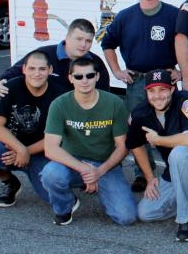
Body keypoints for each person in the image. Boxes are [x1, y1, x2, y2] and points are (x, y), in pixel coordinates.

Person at [101, 0, 180, 192]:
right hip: (137, 81)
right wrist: (117, 71)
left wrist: (181, 72)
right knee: (138, 127)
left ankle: (174, 172)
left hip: (165, 81)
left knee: (170, 126)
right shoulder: (126, 16)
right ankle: (142, 175)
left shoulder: (173, 15)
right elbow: (107, 44)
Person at [40, 57, 136, 226]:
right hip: (72, 163)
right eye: (78, 76)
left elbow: (122, 147)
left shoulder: (114, 103)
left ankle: (100, 186)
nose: (84, 81)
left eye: (89, 75)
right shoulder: (59, 104)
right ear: (70, 78)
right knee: (50, 174)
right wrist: (84, 169)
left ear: (97, 77)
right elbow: (51, 149)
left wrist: (98, 172)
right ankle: (64, 207)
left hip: (105, 165)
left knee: (126, 217)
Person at [128, 69, 188, 242]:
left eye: (162, 89)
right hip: (175, 167)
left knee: (179, 153)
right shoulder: (140, 112)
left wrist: (159, 140)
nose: (157, 96)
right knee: (146, 213)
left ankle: (187, 220)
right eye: (152, 90)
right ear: (146, 92)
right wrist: (150, 178)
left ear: (172, 89)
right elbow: (135, 145)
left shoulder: (186, 100)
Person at [0, 51, 67, 207]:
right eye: (32, 68)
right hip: (14, 146)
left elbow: (60, 135)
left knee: (53, 196)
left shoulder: (60, 94)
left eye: (42, 69)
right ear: (24, 69)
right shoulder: (12, 87)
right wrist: (20, 149)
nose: (36, 73)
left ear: (50, 70)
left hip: (45, 151)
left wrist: (26, 151)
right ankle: (9, 183)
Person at [0, 18, 110, 99]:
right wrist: (0, 83)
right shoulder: (44, 54)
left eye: (88, 41)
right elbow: (15, 71)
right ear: (67, 37)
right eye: (79, 39)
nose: (83, 45)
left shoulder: (96, 63)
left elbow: (104, 95)